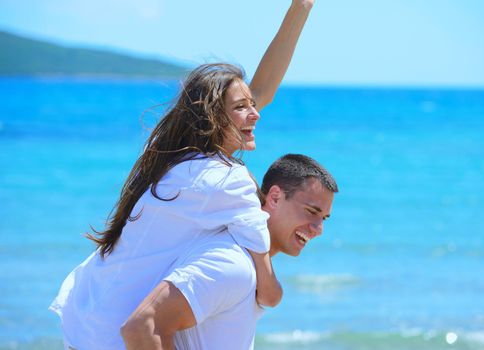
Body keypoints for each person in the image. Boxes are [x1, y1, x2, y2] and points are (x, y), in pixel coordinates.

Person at [50, 1, 315, 349]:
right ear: (211, 119)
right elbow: (267, 290)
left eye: (251, 105)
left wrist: (301, 7)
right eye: (242, 107)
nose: (256, 113)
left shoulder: (170, 155)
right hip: (118, 335)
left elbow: (261, 91)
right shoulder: (224, 180)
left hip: (87, 312)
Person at [121, 154, 338, 349]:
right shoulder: (232, 263)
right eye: (311, 211)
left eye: (324, 218)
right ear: (274, 197)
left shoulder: (248, 264)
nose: (319, 229)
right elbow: (142, 327)